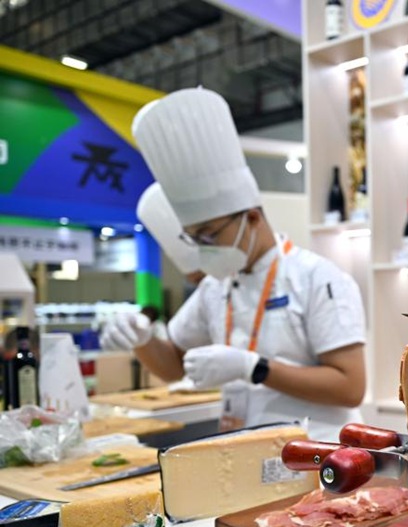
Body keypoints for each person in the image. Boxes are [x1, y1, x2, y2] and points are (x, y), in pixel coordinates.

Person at [102, 88, 366, 440]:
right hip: (245, 449)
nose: (202, 248)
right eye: (194, 238)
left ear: (253, 218)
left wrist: (253, 368)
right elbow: (172, 365)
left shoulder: (317, 277)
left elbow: (350, 386)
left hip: (321, 451)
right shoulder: (216, 286)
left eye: (209, 234)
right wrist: (142, 338)